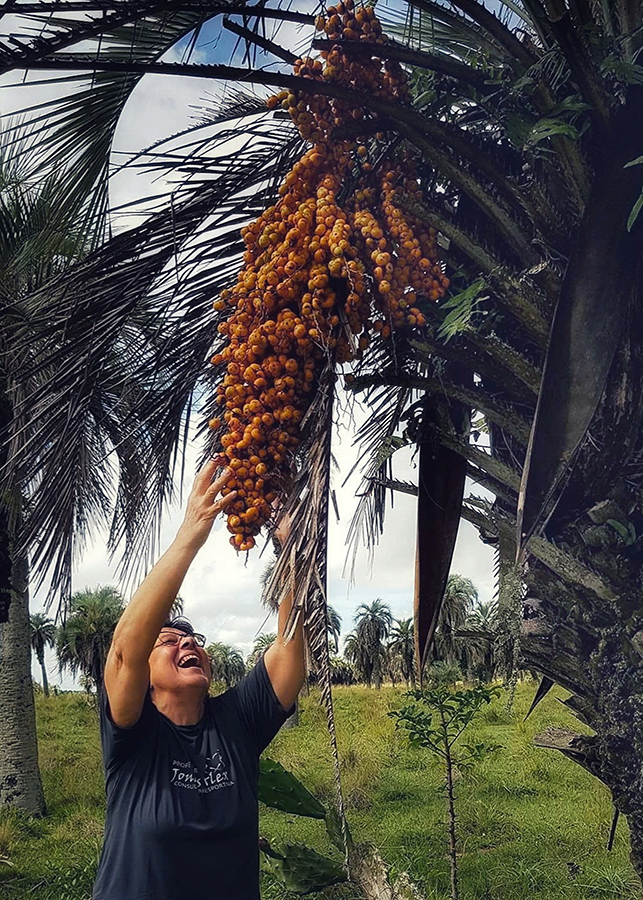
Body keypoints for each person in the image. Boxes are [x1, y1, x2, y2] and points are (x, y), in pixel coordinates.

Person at [92, 460, 305, 900]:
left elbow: (288, 653)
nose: (187, 643)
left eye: (193, 639)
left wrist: (289, 547)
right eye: (166, 641)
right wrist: (193, 530)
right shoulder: (132, 733)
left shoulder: (237, 721)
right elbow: (124, 651)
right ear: (145, 678)